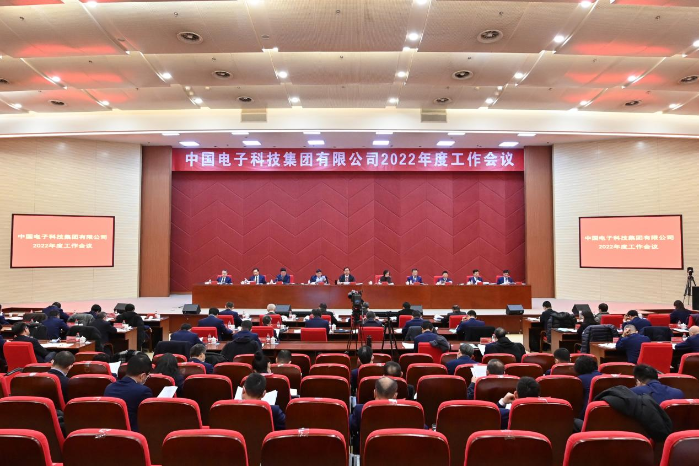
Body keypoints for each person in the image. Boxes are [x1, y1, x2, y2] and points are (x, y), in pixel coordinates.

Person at [104, 353, 153, 432]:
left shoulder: (109, 387)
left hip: (110, 432)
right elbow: (148, 417)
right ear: (143, 376)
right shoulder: (144, 391)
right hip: (132, 435)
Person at [350, 377, 398, 449]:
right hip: (395, 450)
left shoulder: (360, 410)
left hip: (367, 451)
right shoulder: (406, 412)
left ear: (374, 393)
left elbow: (351, 427)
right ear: (395, 396)